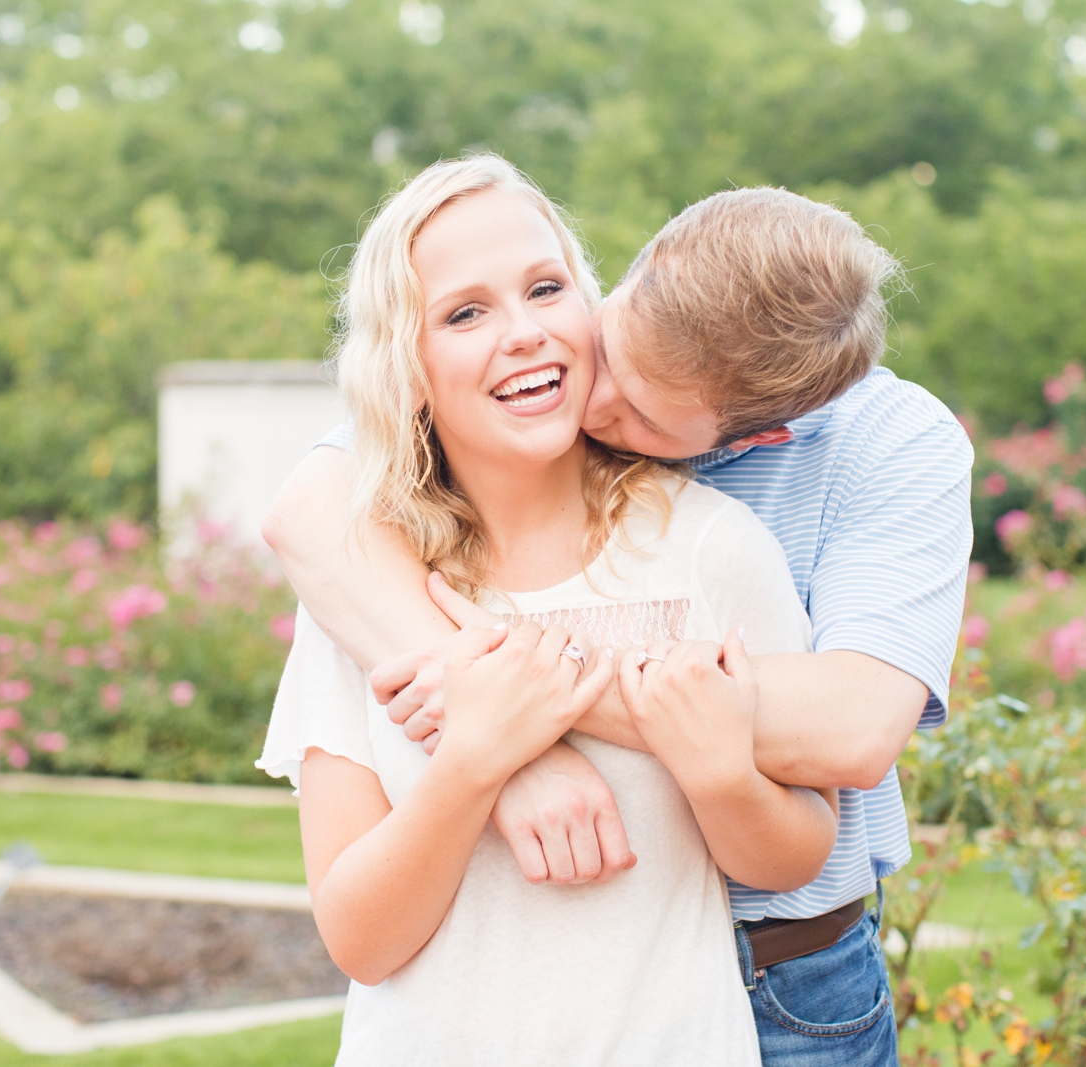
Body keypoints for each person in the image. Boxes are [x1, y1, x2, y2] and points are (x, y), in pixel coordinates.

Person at [265, 172, 975, 1066]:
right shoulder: (418, 510)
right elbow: (310, 507)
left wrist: (515, 695)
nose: (594, 404)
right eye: (611, 349)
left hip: (783, 977)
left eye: (639, 411)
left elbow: (855, 729)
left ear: (745, 440)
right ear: (626, 279)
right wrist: (502, 750)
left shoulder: (809, 489)